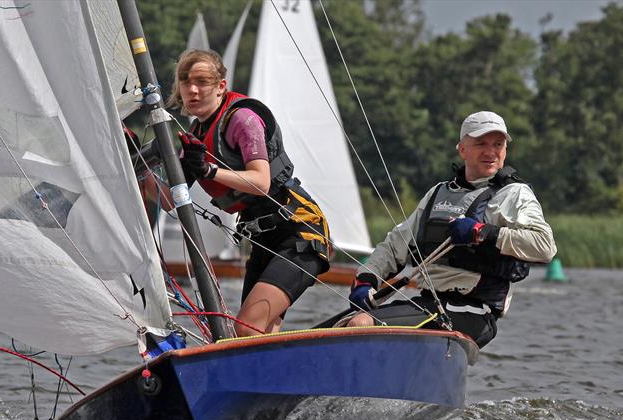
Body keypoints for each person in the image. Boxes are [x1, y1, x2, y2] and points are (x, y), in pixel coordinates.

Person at [346, 110, 557, 348]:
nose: (491, 152)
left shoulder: (514, 194)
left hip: (475, 312)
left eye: (498, 144)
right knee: (341, 325)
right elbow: (395, 245)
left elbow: (544, 246)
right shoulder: (438, 193)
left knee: (361, 325)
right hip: (429, 304)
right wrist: (366, 280)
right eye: (481, 143)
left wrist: (483, 232)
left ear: (505, 151)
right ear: (462, 149)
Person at [168, 49, 331, 337]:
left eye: (202, 81)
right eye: (185, 81)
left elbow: (261, 180)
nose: (192, 89)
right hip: (264, 239)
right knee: (258, 335)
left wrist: (209, 171)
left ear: (221, 87)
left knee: (246, 328)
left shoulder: (242, 119)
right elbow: (168, 200)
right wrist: (139, 171)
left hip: (300, 233)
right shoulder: (197, 135)